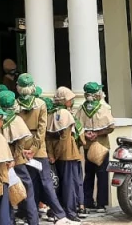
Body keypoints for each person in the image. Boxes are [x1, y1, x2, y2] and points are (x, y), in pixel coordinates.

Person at [15, 74, 73, 224]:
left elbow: (14, 130)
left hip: (20, 147)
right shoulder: (41, 104)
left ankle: (30, 216)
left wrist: (22, 149)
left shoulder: (15, 105)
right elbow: (42, 130)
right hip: (38, 148)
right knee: (46, 181)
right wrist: (34, 149)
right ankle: (59, 215)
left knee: (28, 184)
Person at [0, 90, 40, 225]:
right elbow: (21, 142)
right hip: (17, 160)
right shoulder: (16, 120)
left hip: (3, 160)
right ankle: (33, 220)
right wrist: (15, 159)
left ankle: (10, 220)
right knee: (27, 190)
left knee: (6, 191)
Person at [75, 82, 115, 213]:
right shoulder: (103, 108)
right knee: (102, 175)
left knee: (89, 174)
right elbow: (110, 127)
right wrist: (97, 133)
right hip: (102, 146)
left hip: (88, 147)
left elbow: (77, 126)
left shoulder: (81, 109)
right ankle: (101, 204)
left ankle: (87, 201)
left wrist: (87, 135)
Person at [49, 87, 85, 220]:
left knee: (59, 184)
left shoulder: (52, 112)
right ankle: (70, 212)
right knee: (69, 184)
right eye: (70, 99)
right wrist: (57, 153)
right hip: (67, 154)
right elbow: (65, 137)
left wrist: (53, 154)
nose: (72, 101)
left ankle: (60, 210)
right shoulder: (64, 113)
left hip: (57, 154)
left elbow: (49, 137)